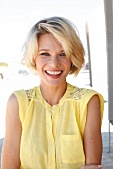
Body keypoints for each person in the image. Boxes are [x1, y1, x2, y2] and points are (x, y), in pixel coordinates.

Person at [1, 16, 104, 169]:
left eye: (63, 54)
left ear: (72, 58)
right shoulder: (17, 102)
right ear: (33, 57)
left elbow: (92, 165)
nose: (54, 63)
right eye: (45, 53)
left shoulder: (88, 102)